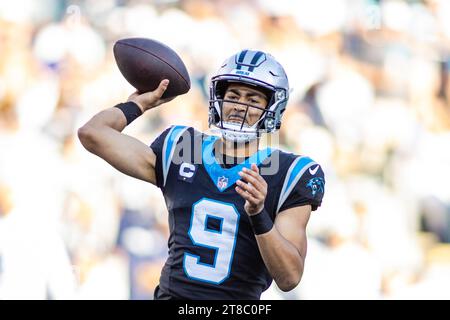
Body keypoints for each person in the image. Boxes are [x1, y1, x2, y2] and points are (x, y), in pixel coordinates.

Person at [78, 50, 325, 300]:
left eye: (252, 99)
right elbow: (92, 133)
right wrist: (139, 104)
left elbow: (289, 278)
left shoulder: (290, 172)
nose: (240, 106)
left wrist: (259, 214)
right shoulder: (183, 147)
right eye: (233, 95)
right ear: (219, 99)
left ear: (272, 108)